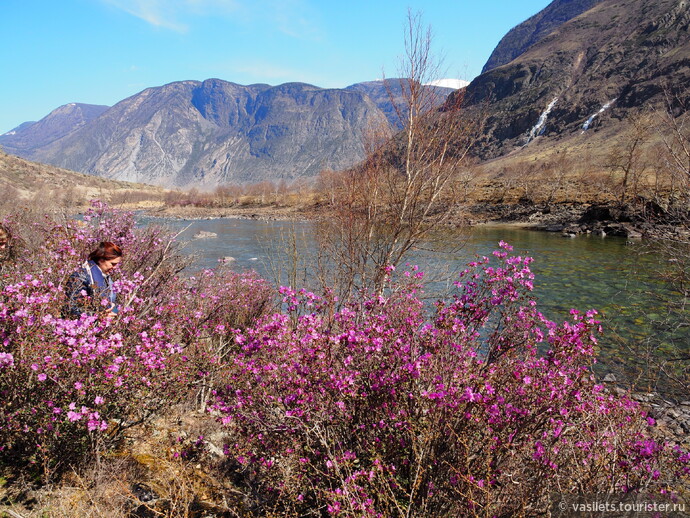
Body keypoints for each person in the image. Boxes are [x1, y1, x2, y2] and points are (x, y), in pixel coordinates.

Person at [66, 241, 122, 318]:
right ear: (101, 259)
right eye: (112, 264)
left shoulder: (105, 277)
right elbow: (71, 308)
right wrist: (99, 316)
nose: (115, 267)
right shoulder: (81, 276)